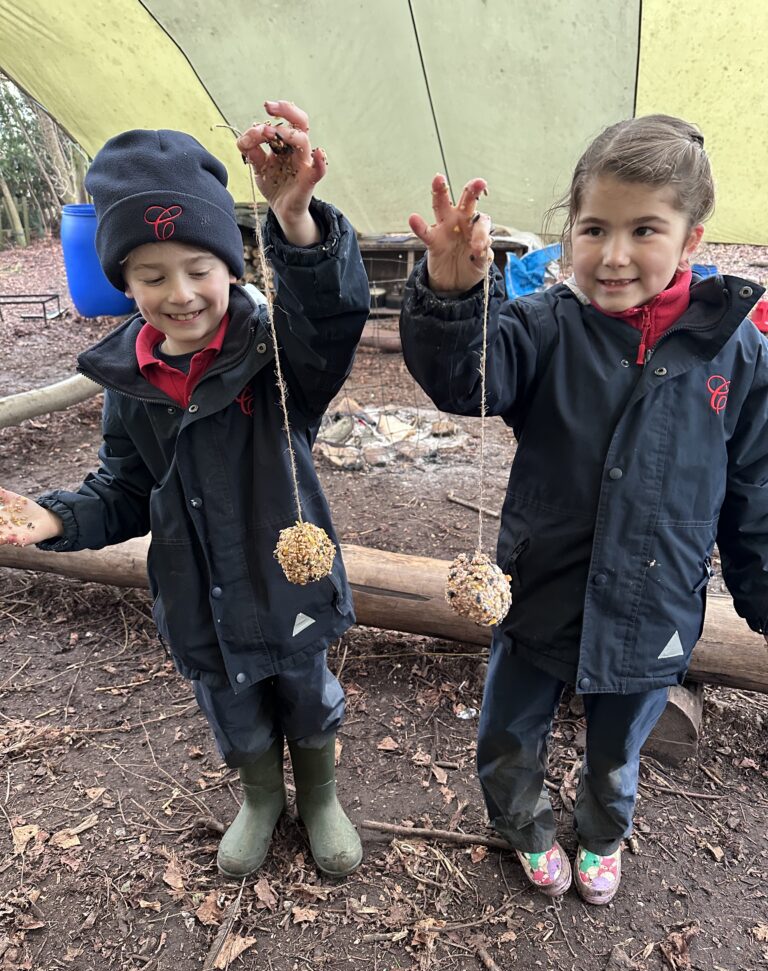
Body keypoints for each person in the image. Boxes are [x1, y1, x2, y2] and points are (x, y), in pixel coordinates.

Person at [400, 114, 768, 904]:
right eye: (594, 227)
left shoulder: (738, 352)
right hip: (540, 589)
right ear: (572, 227)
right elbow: (468, 381)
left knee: (617, 748)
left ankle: (603, 833)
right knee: (508, 732)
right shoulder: (543, 327)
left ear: (693, 239)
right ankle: (526, 825)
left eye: (645, 229)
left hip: (656, 603)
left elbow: (755, 489)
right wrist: (454, 295)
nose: (613, 254)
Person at [0, 101, 370, 880]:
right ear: (123, 282)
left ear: (230, 268)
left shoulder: (277, 356)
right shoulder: (129, 384)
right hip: (197, 593)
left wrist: (296, 221)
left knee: (307, 692)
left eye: (199, 268)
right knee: (231, 708)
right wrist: (56, 516)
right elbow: (125, 489)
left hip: (286, 580)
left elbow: (331, 321)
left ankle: (322, 794)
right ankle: (262, 798)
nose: (181, 293)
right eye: (150, 274)